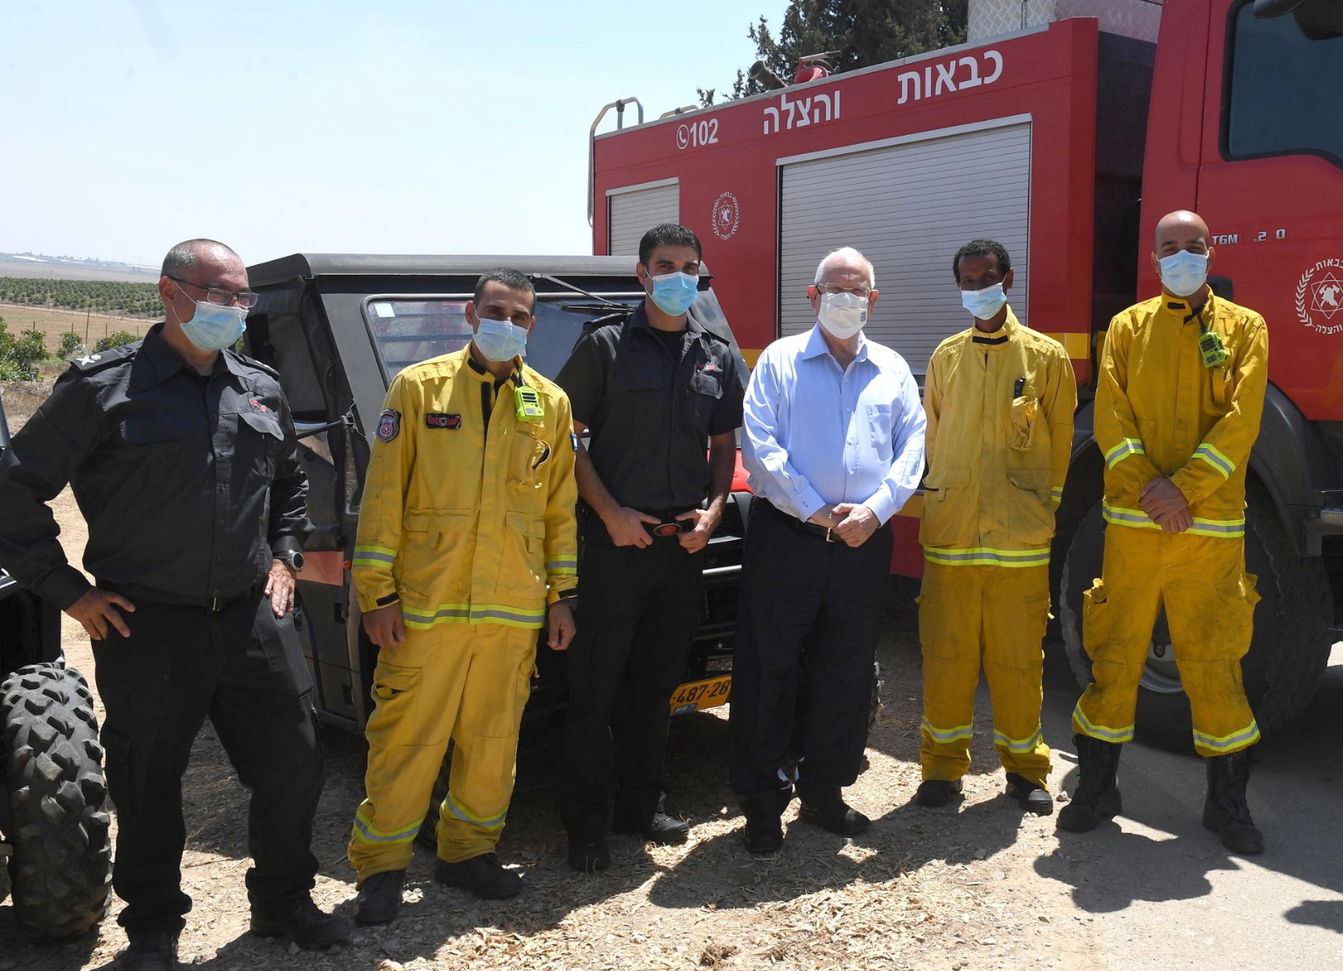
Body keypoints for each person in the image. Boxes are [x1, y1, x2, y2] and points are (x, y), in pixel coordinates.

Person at [0, 238, 348, 971]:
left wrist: (285, 556)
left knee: (294, 763)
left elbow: (290, 481)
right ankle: (152, 928)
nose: (235, 309)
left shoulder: (259, 387)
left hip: (251, 619)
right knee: (149, 782)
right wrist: (69, 591)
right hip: (145, 623)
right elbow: (13, 490)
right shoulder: (103, 388)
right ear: (169, 292)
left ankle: (284, 901)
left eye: (243, 298)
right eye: (219, 293)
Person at [348, 268, 578, 923]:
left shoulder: (549, 404)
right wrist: (376, 594)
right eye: (497, 310)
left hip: (511, 612)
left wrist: (563, 596)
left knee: (492, 742)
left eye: (521, 315)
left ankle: (467, 855)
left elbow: (558, 510)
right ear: (470, 313)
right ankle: (381, 869)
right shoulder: (419, 388)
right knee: (404, 743)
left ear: (533, 325)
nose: (508, 323)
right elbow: (384, 495)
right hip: (426, 608)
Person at [1058, 210, 1269, 853]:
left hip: (1206, 534)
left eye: (1193, 246)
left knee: (1213, 663)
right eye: (1170, 247)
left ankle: (1227, 807)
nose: (1182, 256)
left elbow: (1242, 421)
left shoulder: (1245, 328)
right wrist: (1154, 488)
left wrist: (1185, 490)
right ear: (1154, 259)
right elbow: (1112, 418)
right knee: (1114, 656)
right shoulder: (1126, 328)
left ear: (1212, 251)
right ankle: (1096, 790)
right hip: (1135, 528)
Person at [553, 223, 745, 873]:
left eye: (689, 266)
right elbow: (570, 443)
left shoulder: (713, 352)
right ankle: (585, 824)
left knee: (655, 686)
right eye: (665, 265)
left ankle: (642, 805)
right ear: (641, 274)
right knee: (594, 692)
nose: (678, 276)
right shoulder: (603, 347)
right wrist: (609, 515)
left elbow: (724, 448)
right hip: (612, 547)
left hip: (677, 551)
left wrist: (715, 513)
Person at [732, 246, 926, 854]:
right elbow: (759, 443)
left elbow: (913, 446)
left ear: (873, 300)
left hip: (863, 543)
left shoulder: (891, 368)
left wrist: (874, 511)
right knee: (771, 668)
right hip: (789, 538)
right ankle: (762, 805)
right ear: (812, 297)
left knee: (846, 670)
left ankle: (825, 790)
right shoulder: (780, 362)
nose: (847, 300)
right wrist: (816, 509)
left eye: (858, 291)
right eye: (834, 290)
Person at [917, 239, 1075, 816]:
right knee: (947, 656)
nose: (977, 286)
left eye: (986, 276)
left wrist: (1042, 509)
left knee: (1017, 660)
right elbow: (931, 439)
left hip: (1019, 541)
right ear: (957, 285)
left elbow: (1058, 447)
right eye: (966, 278)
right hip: (952, 535)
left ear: (1008, 279)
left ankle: (1026, 770)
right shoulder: (946, 357)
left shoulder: (1046, 357)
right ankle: (940, 770)